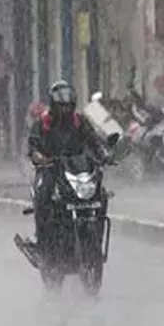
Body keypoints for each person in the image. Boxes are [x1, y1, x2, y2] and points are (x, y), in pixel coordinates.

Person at [28, 80, 112, 254]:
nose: (65, 110)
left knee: (101, 194)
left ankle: (96, 236)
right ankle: (42, 243)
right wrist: (40, 157)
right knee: (43, 193)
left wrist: (103, 155)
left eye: (68, 106)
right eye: (61, 106)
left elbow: (94, 142)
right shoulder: (43, 124)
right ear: (53, 105)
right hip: (51, 168)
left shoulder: (80, 122)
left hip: (78, 169)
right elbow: (33, 146)